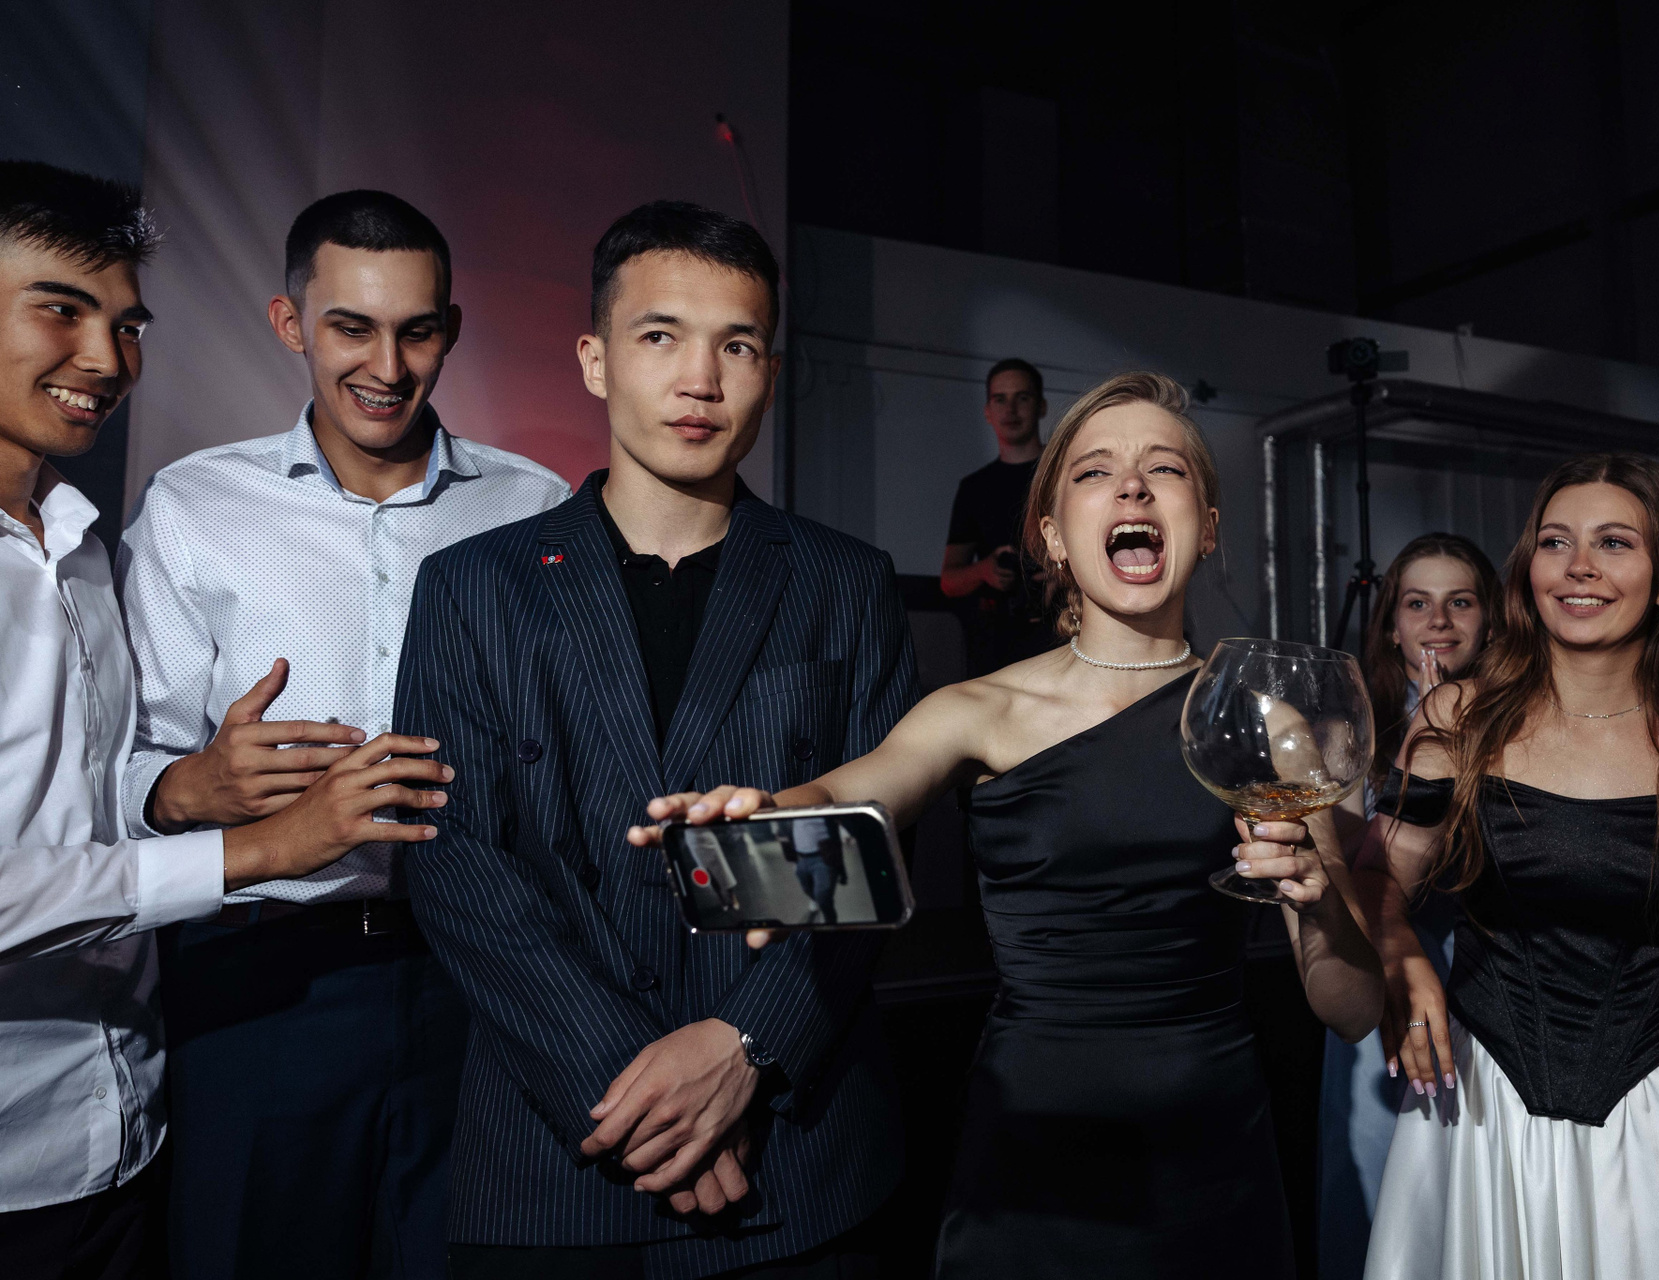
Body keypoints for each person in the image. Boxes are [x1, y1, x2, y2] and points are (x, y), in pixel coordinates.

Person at [640, 372, 1385, 1279]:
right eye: (1096, 472)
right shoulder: (977, 710)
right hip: (1033, 1155)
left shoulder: (1270, 723)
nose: (1133, 486)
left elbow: (1353, 1010)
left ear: (1209, 525)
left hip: (1213, 1155)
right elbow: (850, 794)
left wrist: (1317, 904)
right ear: (1053, 536)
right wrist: (761, 818)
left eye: (1165, 469)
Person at [394, 200, 917, 1277]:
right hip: (558, 1151)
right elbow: (457, 863)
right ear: (595, 359)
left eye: (737, 346)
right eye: (661, 336)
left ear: (770, 371)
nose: (700, 380)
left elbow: (877, 851)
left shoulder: (847, 583)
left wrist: (743, 1049)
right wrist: (637, 1091)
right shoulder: (474, 586)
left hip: (796, 1152)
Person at [0, 161, 450, 1280]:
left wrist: (180, 790)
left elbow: (94, 793)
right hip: (230, 996)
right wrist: (252, 838)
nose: (106, 359)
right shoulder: (191, 505)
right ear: (293, 325)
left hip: (127, 1108)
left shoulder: (75, 548)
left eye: (127, 325)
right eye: (61, 310)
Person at [116, 189, 570, 1279]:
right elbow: (123, 772)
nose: (388, 365)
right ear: (292, 324)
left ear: (451, 332)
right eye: (352, 327)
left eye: (417, 331)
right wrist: (189, 786)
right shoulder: (193, 506)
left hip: (481, 975)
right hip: (260, 982)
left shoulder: (537, 508)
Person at [1349, 452, 1659, 1280]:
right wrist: (1401, 953)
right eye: (1556, 542)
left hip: (1654, 1116)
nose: (1578, 565)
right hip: (1477, 1109)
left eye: (1614, 542)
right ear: (1530, 570)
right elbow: (1377, 882)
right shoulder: (1458, 719)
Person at [1317, 532, 1499, 1280]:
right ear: (1391, 624)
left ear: (1490, 619)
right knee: (1378, 1187)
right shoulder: (1347, 729)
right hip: (1382, 963)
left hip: (1485, 972)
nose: (1439, 621)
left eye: (1461, 602)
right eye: (1418, 604)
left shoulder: (1519, 722)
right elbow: (1347, 874)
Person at [941, 357, 1057, 675]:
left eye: (1023, 397)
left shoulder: (1064, 473)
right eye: (1000, 399)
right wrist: (984, 570)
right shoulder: (975, 488)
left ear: (1041, 406)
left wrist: (1066, 574)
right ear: (987, 411)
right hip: (996, 648)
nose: (1011, 410)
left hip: (1061, 637)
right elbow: (949, 581)